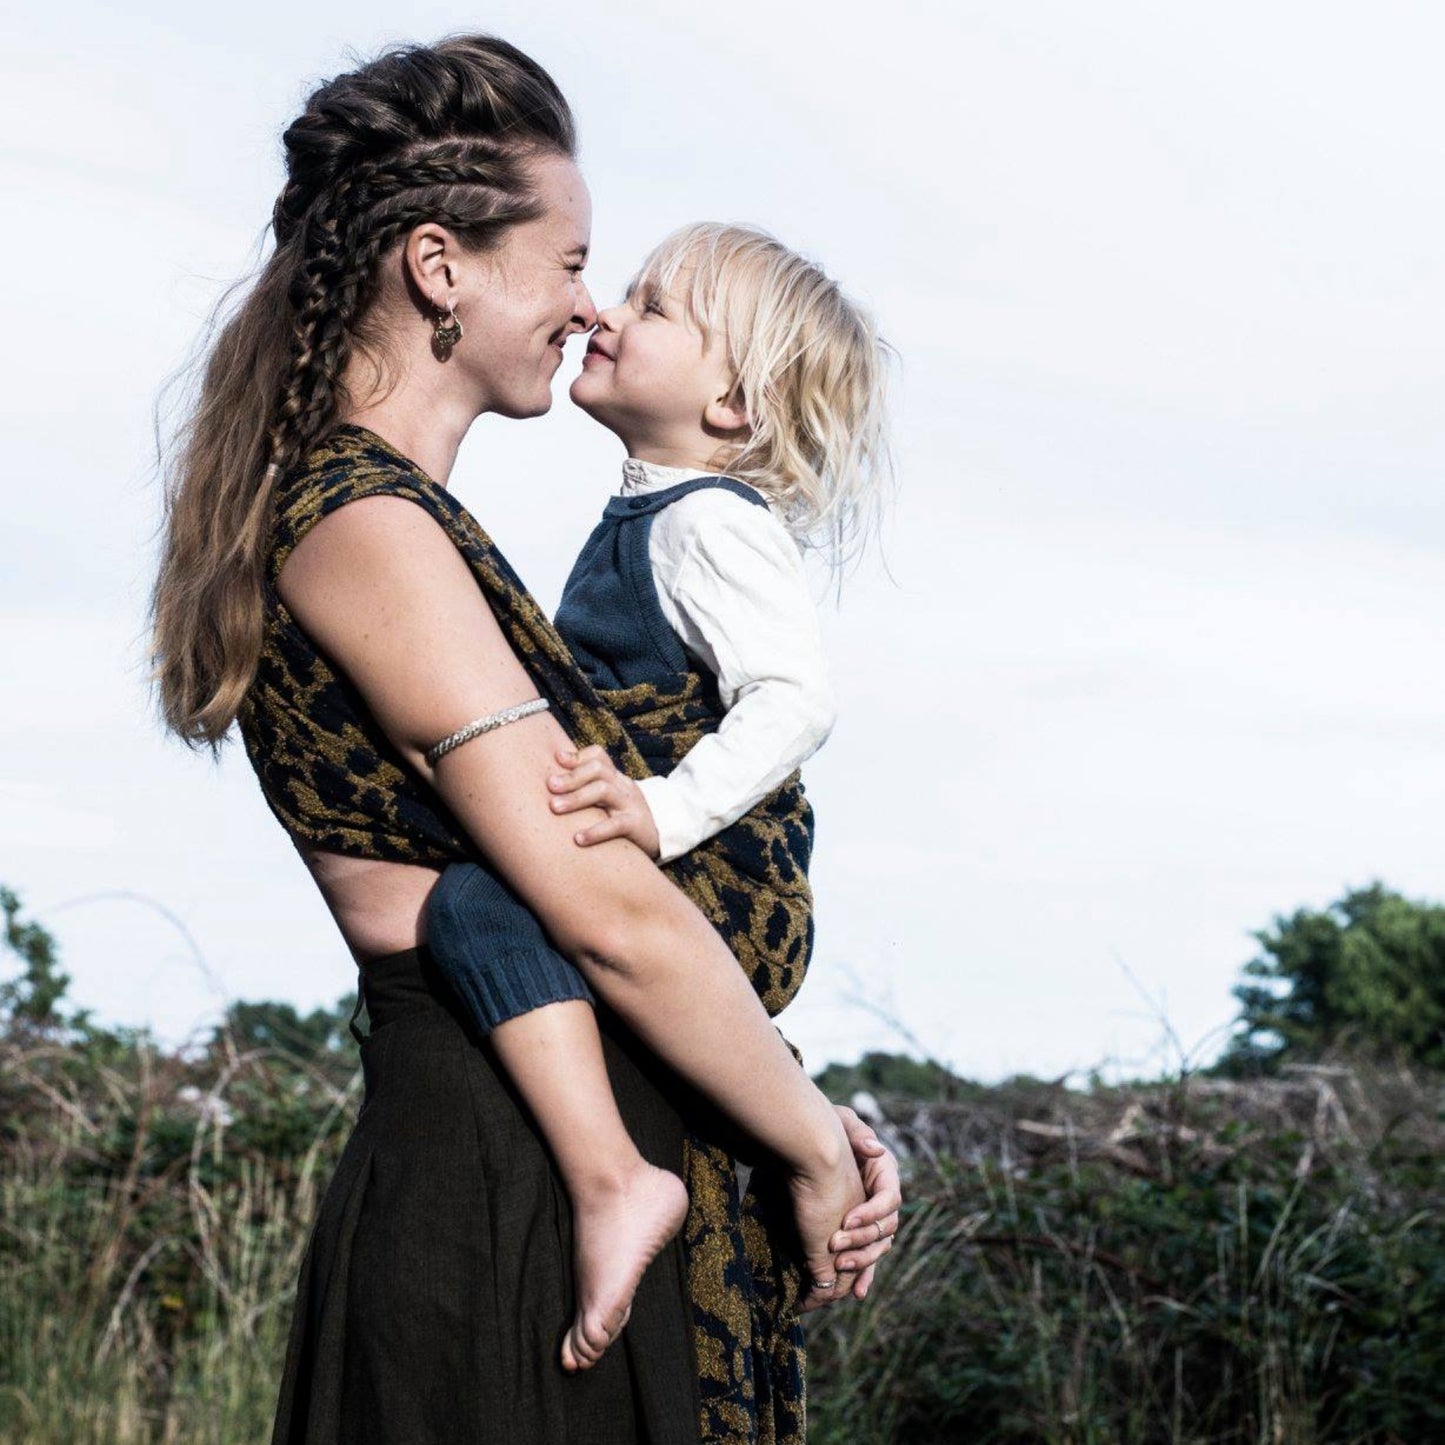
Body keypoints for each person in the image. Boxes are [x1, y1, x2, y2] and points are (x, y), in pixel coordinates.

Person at [149, 35, 900, 1445]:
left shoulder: (390, 520)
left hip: (550, 1150)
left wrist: (791, 1112)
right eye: (569, 262)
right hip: (505, 1180)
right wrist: (812, 1142)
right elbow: (604, 901)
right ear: (440, 268)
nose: (587, 305)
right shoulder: (366, 527)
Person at [424, 221, 892, 1373]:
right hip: (688, 869)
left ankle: (614, 1180)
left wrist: (659, 810)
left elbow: (793, 698)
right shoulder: (658, 514)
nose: (605, 312)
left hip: (719, 876)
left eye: (652, 305)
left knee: (475, 908)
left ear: (731, 402)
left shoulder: (703, 521)